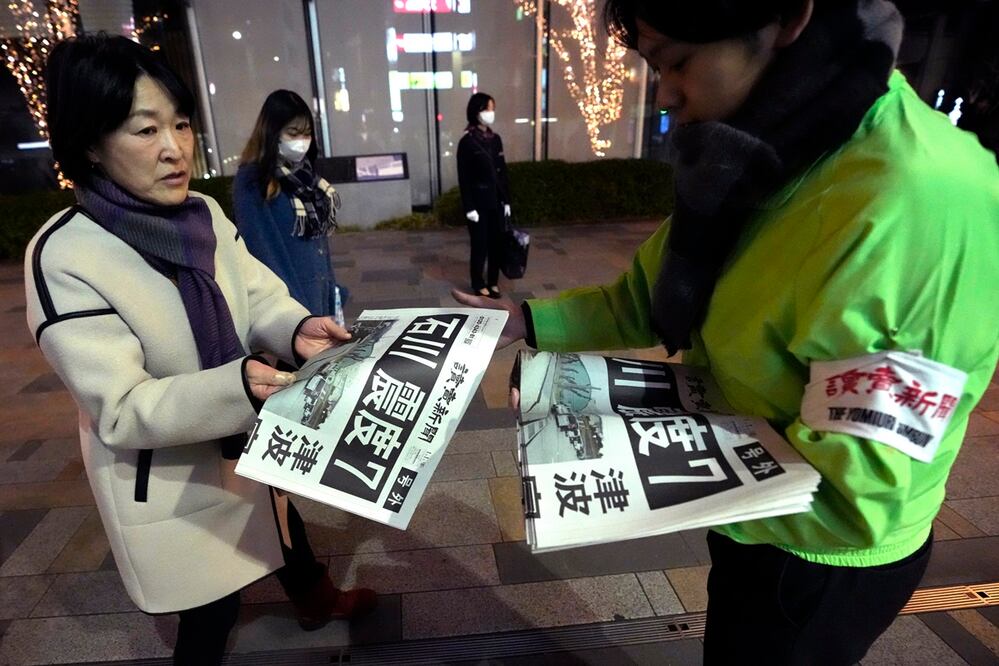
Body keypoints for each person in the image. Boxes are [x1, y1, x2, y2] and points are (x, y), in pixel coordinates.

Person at [454, 0, 999, 663]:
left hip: (819, 559)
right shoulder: (753, 145)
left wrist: (615, 466)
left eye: (678, 62)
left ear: (787, 19)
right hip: (757, 504)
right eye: (653, 65)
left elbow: (858, 489)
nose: (665, 94)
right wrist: (526, 320)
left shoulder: (911, 202)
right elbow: (648, 294)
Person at [28, 35, 375, 665]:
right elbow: (120, 408)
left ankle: (315, 599)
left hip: (242, 435)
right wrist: (238, 387)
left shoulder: (204, 214)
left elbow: (257, 293)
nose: (174, 148)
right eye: (145, 129)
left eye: (181, 124)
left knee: (277, 520)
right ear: (89, 146)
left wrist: (297, 330)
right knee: (211, 603)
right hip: (168, 470)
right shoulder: (65, 254)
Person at [234, 89, 346, 322]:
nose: (301, 142)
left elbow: (319, 246)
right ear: (272, 133)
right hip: (289, 306)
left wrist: (332, 293)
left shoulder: (305, 177)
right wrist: (292, 312)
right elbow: (262, 252)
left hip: (320, 298)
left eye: (306, 134)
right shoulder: (254, 180)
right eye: (293, 133)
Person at [456, 92, 512, 298]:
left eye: (492, 108)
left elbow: (502, 172)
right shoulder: (467, 142)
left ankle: (493, 282)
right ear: (477, 111)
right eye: (488, 108)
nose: (491, 113)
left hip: (496, 201)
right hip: (478, 203)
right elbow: (464, 178)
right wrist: (469, 207)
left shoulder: (495, 139)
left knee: (496, 243)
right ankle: (478, 282)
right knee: (480, 244)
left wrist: (507, 200)